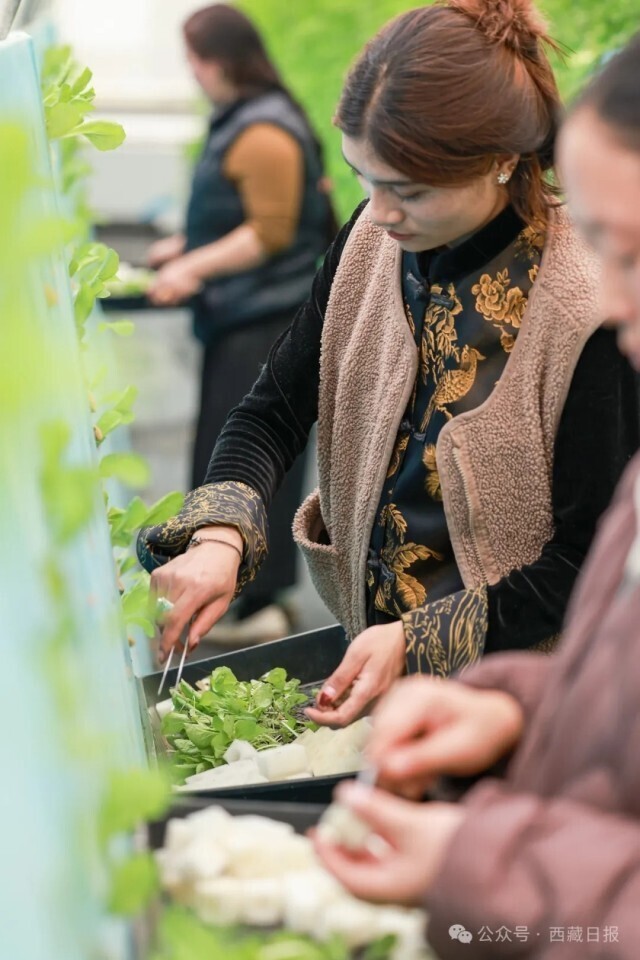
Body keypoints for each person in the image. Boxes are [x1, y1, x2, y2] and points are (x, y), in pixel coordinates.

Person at [139, 0, 638, 715]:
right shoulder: (371, 241)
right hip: (371, 670)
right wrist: (220, 535)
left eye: (409, 189)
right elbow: (272, 411)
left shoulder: (590, 309)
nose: (379, 210)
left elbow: (588, 562)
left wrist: (415, 640)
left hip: (513, 703)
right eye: (363, 177)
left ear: (500, 160)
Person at [313, 32, 640, 959]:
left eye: (630, 254)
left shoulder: (577, 321)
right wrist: (520, 709)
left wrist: (481, 863)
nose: (614, 301)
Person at [145, 4, 335, 642]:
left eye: (196, 60)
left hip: (264, 317)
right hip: (243, 312)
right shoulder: (245, 121)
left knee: (251, 452)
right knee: (226, 447)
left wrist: (193, 266)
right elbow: (244, 215)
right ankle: (236, 595)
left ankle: (258, 605)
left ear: (223, 61)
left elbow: (270, 232)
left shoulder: (263, 131)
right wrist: (185, 246)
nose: (192, 73)